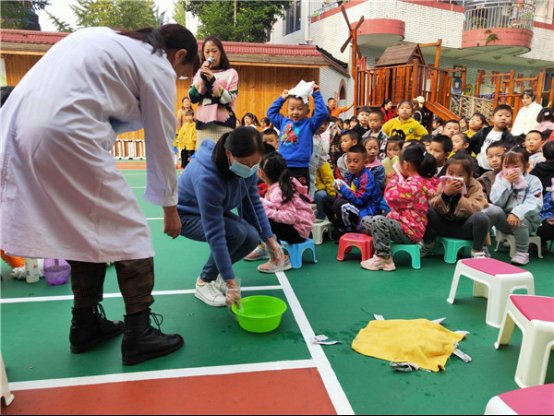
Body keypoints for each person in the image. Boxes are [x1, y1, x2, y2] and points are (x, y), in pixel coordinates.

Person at [0, 25, 199, 365]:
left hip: (15, 129)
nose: (177, 77)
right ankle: (139, 333)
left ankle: (86, 324)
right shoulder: (155, 62)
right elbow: (163, 141)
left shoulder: (103, 37)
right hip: (66, 134)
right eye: (184, 73)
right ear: (180, 56)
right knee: (131, 233)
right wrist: (170, 208)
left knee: (84, 230)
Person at [178, 127, 287, 307]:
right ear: (229, 154)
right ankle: (204, 282)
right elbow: (216, 235)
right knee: (235, 233)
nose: (250, 168)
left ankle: (219, 273)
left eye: (255, 163)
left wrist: (270, 240)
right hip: (185, 216)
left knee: (252, 237)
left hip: (214, 211)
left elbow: (252, 203)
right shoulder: (207, 177)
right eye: (245, 163)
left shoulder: (248, 167)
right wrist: (231, 282)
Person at [360, 144, 437, 271]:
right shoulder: (421, 180)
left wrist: (395, 178)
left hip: (409, 231)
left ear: (406, 165)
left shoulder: (414, 184)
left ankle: (384, 258)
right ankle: (381, 246)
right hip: (402, 225)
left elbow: (390, 196)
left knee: (378, 221)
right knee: (366, 220)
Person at [251, 153, 314, 272]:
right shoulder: (278, 185)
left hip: (297, 232)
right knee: (261, 216)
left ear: (261, 173)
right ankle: (266, 248)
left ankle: (281, 259)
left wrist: (267, 211)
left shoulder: (278, 191)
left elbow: (290, 217)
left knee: (261, 219)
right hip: (300, 229)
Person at [421, 155, 490, 258]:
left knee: (481, 217)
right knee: (426, 208)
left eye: (460, 175)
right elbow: (433, 204)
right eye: (450, 173)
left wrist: (458, 197)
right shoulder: (443, 184)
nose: (454, 177)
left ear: (469, 175)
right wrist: (445, 195)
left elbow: (476, 208)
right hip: (443, 226)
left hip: (465, 228)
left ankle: (477, 250)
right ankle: (428, 243)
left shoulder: (475, 186)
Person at [485, 150, 543, 265]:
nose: (510, 170)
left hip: (527, 221)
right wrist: (506, 183)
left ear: (526, 166)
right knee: (490, 209)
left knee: (519, 220)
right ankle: (482, 247)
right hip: (504, 220)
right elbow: (496, 201)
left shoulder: (534, 181)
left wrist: (516, 213)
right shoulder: (500, 178)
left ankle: (522, 252)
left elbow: (535, 203)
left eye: (516, 166)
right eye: (506, 166)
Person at [267, 83, 328, 189]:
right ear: (287, 111)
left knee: (301, 196)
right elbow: (270, 113)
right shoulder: (283, 122)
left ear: (307, 111)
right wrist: (281, 99)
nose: (295, 112)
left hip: (301, 168)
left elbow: (322, 113)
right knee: (282, 195)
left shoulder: (310, 124)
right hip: (283, 166)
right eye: (292, 108)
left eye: (300, 109)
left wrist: (316, 94)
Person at [189, 36, 238, 149]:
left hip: (224, 125)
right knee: (203, 161)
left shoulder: (231, 73)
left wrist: (213, 81)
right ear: (203, 55)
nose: (211, 55)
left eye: (214, 51)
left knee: (223, 160)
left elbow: (229, 99)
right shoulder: (199, 73)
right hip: (203, 126)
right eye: (207, 52)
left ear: (221, 52)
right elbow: (193, 97)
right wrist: (202, 76)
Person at [322, 145, 381, 237]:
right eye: (349, 161)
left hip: (365, 210)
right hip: (353, 205)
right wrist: (338, 188)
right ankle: (339, 227)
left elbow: (360, 200)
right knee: (326, 200)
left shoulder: (367, 177)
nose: (351, 164)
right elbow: (347, 192)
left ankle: (349, 230)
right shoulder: (350, 174)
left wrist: (342, 189)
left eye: (355, 161)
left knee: (340, 205)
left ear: (365, 162)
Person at [470, 104, 517, 173]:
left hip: (495, 170)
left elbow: (509, 154)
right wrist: (478, 151)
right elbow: (472, 142)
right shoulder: (484, 131)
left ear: (511, 120)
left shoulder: (509, 138)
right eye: (500, 115)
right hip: (478, 166)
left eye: (507, 116)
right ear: (492, 118)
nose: (503, 118)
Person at [531, 141, 554, 246]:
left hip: (537, 218)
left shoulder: (535, 170)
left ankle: (539, 243)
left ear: (543, 153)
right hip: (544, 217)